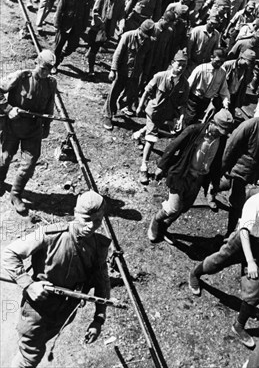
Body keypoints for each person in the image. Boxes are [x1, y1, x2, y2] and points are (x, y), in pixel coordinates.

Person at [189, 170, 259, 348]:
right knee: (216, 262)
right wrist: (249, 261)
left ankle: (238, 326)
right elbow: (244, 231)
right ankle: (195, 274)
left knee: (253, 293)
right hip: (241, 242)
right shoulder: (258, 201)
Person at [2, 190, 111, 368]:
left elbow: (102, 280)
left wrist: (99, 318)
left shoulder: (99, 246)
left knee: (38, 345)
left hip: (65, 312)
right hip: (37, 310)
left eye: (97, 220)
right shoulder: (49, 234)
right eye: (86, 219)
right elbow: (10, 253)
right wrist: (28, 284)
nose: (91, 226)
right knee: (30, 356)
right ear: (76, 213)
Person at [147, 109, 234, 244]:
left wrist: (213, 183)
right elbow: (173, 146)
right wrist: (161, 166)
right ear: (213, 123)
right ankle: (156, 221)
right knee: (173, 208)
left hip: (197, 179)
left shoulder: (220, 140)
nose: (220, 135)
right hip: (182, 174)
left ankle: (164, 228)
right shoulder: (194, 130)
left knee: (184, 207)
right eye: (219, 130)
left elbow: (217, 163)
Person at [0, 51, 57, 215]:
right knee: (4, 159)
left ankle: (16, 194)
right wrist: (8, 109)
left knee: (29, 164)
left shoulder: (51, 83)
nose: (45, 73)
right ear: (36, 63)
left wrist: (47, 126)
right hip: (13, 126)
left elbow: (49, 106)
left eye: (49, 70)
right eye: (43, 68)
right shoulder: (21, 77)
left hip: (33, 130)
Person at [217, 101, 259, 234]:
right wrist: (221, 169)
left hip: (255, 172)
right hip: (239, 170)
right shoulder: (250, 125)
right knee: (237, 203)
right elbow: (230, 147)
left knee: (244, 197)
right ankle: (230, 232)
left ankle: (214, 188)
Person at [134, 50, 190, 184]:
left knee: (167, 132)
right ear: (172, 63)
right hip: (153, 112)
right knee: (152, 139)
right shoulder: (160, 76)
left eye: (184, 65)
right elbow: (147, 91)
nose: (181, 68)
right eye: (179, 64)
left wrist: (181, 118)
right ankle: (144, 167)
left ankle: (138, 134)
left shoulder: (184, 84)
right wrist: (140, 106)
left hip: (168, 114)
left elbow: (182, 104)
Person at [102, 20, 155, 130]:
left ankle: (120, 105)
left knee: (130, 95)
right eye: (144, 34)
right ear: (140, 29)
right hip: (122, 71)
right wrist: (113, 70)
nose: (145, 37)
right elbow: (118, 54)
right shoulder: (128, 36)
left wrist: (145, 75)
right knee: (113, 93)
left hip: (135, 74)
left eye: (147, 36)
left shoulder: (149, 42)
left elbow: (148, 60)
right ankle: (108, 115)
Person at [86, 0, 127, 76]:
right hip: (97, 26)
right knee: (94, 48)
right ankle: (91, 69)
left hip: (109, 26)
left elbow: (121, 16)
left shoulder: (121, 1)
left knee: (99, 44)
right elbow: (95, 12)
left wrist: (121, 26)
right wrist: (101, 23)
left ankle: (90, 53)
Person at [54, 0, 92, 71]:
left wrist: (83, 27)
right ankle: (54, 65)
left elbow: (87, 14)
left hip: (77, 27)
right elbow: (59, 10)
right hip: (64, 25)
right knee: (58, 45)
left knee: (73, 46)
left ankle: (62, 55)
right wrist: (57, 25)